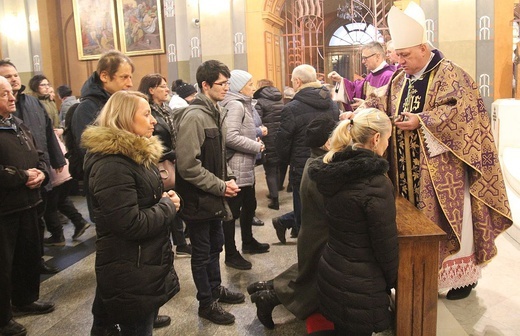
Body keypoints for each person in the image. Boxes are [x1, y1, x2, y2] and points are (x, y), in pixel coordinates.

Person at [369, 2, 513, 300]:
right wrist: (365, 113)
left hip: (443, 172)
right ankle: (419, 272)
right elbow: (383, 106)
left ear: (424, 48)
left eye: (405, 55)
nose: (400, 61)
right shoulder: (399, 79)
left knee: (452, 220)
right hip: (404, 169)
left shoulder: (452, 75)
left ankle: (460, 279)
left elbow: (463, 116)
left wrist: (422, 120)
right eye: (398, 55)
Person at [82, 90, 181, 336]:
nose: (153, 120)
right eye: (146, 114)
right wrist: (168, 206)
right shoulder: (112, 164)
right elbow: (130, 223)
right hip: (129, 266)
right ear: (125, 119)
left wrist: (162, 200)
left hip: (140, 261)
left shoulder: (133, 155)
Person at [309, 108, 398, 336]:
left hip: (333, 266)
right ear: (376, 138)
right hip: (361, 280)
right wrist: (393, 280)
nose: (387, 144)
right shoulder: (375, 182)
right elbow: (384, 244)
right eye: (388, 138)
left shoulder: (332, 168)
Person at [248, 113, 337, 330]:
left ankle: (268, 287)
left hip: (314, 231)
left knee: (308, 272)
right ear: (327, 142)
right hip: (319, 233)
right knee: (315, 279)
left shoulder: (316, 159)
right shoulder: (321, 167)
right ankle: (271, 296)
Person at [175, 60, 245, 325]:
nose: (227, 88)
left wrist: (229, 178)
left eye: (228, 83)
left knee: (216, 245)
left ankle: (215, 289)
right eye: (221, 83)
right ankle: (206, 302)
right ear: (205, 85)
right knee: (202, 252)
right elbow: (188, 166)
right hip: (198, 197)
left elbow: (218, 156)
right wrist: (220, 185)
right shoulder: (194, 116)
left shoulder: (214, 111)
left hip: (213, 195)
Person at [0, 75, 55, 336]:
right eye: (4, 94)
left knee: (28, 256)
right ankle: (3, 318)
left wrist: (42, 173)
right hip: (5, 208)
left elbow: (39, 153)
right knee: (4, 264)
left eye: (11, 92)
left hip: (29, 203)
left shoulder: (17, 123)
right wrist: (23, 176)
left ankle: (25, 299)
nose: (12, 97)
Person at [0, 59, 66, 275]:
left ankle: (36, 263)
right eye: (7, 78)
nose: (14, 79)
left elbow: (45, 132)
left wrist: (50, 163)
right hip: (11, 191)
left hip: (38, 176)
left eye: (15, 75)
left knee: (35, 228)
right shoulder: (9, 112)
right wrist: (23, 175)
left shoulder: (31, 103)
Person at [272, 64, 339, 243]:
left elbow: (283, 142)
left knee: (304, 213)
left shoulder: (292, 108)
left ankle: (305, 257)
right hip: (329, 163)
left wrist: (285, 163)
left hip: (303, 168)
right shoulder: (332, 104)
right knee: (325, 210)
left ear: (297, 81)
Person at [219, 69, 269, 270]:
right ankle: (231, 253)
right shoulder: (235, 105)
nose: (253, 88)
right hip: (236, 167)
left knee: (249, 205)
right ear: (240, 87)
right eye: (250, 84)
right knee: (233, 212)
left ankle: (248, 242)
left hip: (245, 165)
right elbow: (229, 137)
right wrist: (255, 145)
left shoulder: (242, 103)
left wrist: (253, 139)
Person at [138, 73, 192, 256]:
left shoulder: (167, 110)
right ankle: (178, 244)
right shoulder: (148, 112)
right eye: (162, 86)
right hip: (160, 163)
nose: (167, 89)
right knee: (167, 198)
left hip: (173, 161)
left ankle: (181, 241)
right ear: (151, 90)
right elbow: (147, 142)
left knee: (176, 198)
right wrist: (171, 153)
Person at [70, 50, 134, 182]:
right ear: (104, 76)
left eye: (130, 77)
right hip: (107, 181)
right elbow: (90, 153)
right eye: (124, 77)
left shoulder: (120, 103)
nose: (130, 84)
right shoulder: (87, 109)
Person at [328, 41, 396, 112]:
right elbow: (355, 89)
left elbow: (389, 106)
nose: (363, 61)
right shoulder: (370, 77)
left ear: (377, 56)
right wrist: (340, 80)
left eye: (365, 58)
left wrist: (366, 105)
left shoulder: (389, 76)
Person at [253, 79, 284, 210]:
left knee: (269, 170)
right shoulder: (280, 100)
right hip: (281, 136)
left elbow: (257, 121)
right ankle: (277, 188)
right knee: (277, 166)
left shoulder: (260, 102)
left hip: (268, 137)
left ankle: (274, 199)